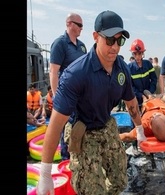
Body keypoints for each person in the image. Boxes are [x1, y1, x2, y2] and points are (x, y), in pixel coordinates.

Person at [36, 10, 147, 195]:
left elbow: (131, 102)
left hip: (106, 124)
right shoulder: (76, 74)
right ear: (96, 37)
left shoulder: (122, 69)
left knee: (120, 181)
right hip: (83, 130)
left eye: (119, 41)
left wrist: (140, 130)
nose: (115, 47)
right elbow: (55, 125)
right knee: (92, 190)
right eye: (110, 40)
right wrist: (45, 173)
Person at [49, 12, 87, 160]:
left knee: (80, 126)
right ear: (69, 24)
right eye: (79, 25)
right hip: (67, 96)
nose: (81, 28)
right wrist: (57, 97)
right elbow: (53, 72)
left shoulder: (82, 47)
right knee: (66, 129)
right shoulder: (60, 44)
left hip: (81, 96)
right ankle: (66, 161)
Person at [128, 38, 157, 110]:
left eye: (139, 53)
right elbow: (130, 86)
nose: (137, 56)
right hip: (136, 100)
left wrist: (150, 93)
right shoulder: (129, 68)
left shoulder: (148, 64)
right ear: (132, 54)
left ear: (143, 53)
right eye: (135, 54)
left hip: (149, 98)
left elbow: (154, 79)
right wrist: (141, 96)